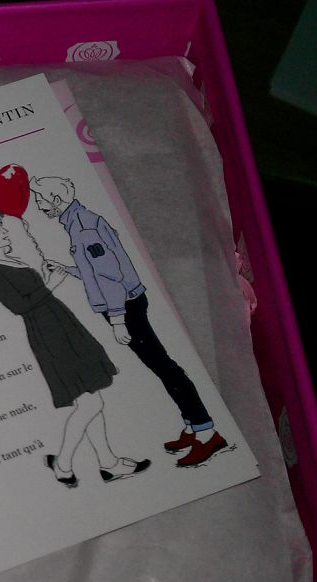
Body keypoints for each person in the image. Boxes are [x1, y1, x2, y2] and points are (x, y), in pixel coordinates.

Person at [30, 175, 231, 468]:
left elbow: (109, 276)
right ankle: (193, 425)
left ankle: (207, 433)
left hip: (125, 306)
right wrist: (68, 269)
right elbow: (96, 268)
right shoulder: (78, 222)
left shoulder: (84, 227)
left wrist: (117, 320)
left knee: (166, 368)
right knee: (163, 367)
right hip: (125, 303)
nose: (38, 205)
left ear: (57, 200)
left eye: (41, 199)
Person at [0, 214, 150, 487]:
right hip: (48, 334)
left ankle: (108, 463)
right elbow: (19, 306)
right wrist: (51, 284)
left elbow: (33, 294)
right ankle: (63, 464)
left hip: (61, 323)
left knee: (90, 396)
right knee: (92, 403)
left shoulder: (10, 260)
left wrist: (48, 279)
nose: (6, 233)